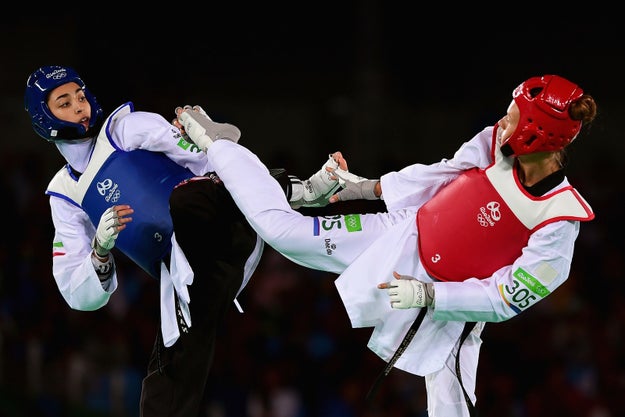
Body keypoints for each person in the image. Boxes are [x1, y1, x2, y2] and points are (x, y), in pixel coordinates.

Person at [175, 74, 597, 417]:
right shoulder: (492, 144)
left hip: (450, 306)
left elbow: (508, 296)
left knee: (449, 406)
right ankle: (220, 145)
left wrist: (432, 295)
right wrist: (364, 187)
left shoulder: (561, 218)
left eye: (512, 118)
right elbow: (439, 176)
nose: (501, 124)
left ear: (536, 132)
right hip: (401, 232)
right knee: (283, 233)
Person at [24, 65, 356, 417]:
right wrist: (100, 252)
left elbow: (206, 157)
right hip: (190, 276)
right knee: (167, 375)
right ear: (45, 118)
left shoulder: (125, 128)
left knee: (197, 189)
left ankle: (300, 190)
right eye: (64, 102)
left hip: (224, 228)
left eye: (79, 95)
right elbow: (76, 293)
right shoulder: (64, 195)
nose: (79, 106)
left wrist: (255, 173)